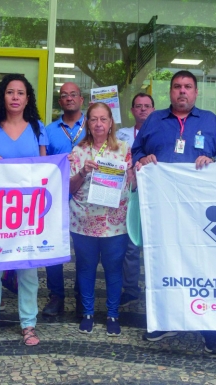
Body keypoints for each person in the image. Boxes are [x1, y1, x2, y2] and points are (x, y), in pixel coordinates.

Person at [132, 70, 216, 354]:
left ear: (196, 92)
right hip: (163, 211)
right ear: (170, 92)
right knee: (163, 263)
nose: (182, 91)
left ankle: (208, 327)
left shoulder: (211, 122)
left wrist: (213, 160)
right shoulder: (154, 120)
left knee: (204, 266)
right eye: (177, 86)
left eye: (188, 87)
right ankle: (165, 320)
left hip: (200, 213)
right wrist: (144, 158)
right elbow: (136, 151)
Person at [0, 73, 48, 346]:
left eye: (20, 93)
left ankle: (28, 324)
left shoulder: (38, 128)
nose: (15, 97)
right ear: (2, 96)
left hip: (27, 211)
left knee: (28, 270)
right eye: (10, 92)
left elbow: (45, 171)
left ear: (27, 98)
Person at [70, 102, 133, 336]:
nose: (98, 124)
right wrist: (83, 172)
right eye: (93, 119)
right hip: (83, 219)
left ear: (110, 123)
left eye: (103, 119)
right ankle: (87, 313)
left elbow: (132, 183)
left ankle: (112, 314)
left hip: (114, 222)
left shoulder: (123, 149)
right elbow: (70, 186)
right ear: (87, 123)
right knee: (85, 268)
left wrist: (131, 171)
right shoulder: (78, 151)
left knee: (113, 269)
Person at [42, 81, 86, 317]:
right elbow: (41, 162)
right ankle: (56, 295)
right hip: (56, 195)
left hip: (86, 197)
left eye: (73, 95)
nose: (69, 98)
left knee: (83, 249)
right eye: (64, 96)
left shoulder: (93, 126)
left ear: (81, 99)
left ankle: (83, 296)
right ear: (60, 102)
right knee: (53, 247)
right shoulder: (48, 130)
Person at [116, 93, 155, 306]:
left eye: (147, 106)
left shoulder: (162, 132)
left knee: (155, 244)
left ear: (153, 109)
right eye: (138, 106)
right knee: (131, 244)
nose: (142, 110)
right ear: (132, 110)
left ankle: (154, 286)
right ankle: (131, 288)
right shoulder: (122, 134)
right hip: (129, 193)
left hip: (156, 195)